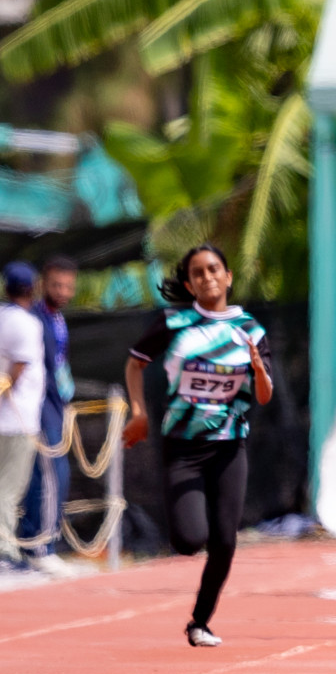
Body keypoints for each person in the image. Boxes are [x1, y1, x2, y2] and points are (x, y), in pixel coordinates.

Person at [123, 245, 273, 646]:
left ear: (228, 277)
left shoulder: (249, 329)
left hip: (228, 445)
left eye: (214, 270)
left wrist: (258, 370)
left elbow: (263, 396)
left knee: (225, 540)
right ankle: (184, 522)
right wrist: (139, 412)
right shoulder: (174, 323)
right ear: (189, 284)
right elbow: (135, 363)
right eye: (198, 273)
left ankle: (200, 622)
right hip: (183, 447)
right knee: (190, 541)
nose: (208, 277)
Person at [20, 255, 77, 575]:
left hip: (57, 404)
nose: (63, 291)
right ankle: (41, 545)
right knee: (52, 473)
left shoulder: (58, 318)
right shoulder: (34, 319)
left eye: (69, 286)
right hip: (39, 406)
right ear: (43, 284)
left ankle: (37, 542)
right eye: (57, 285)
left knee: (51, 473)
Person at [0, 262, 45, 573]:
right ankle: (4, 549)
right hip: (17, 418)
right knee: (9, 486)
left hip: (10, 417)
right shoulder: (27, 324)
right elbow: (17, 369)